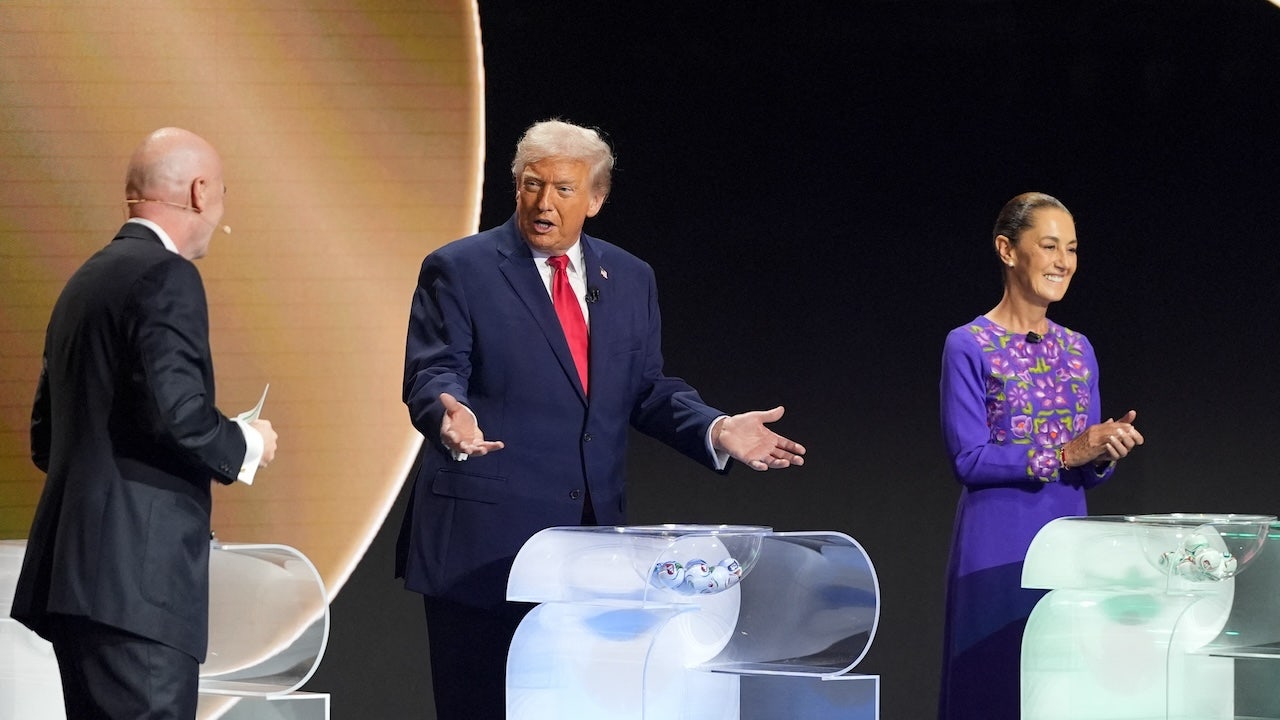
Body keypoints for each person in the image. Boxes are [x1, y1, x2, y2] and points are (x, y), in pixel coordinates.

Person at [396, 119, 807, 720]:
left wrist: (716, 428)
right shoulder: (460, 268)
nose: (544, 203)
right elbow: (434, 371)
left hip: (588, 549)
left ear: (596, 198)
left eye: (564, 189)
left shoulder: (630, 277)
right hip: (484, 543)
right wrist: (447, 414)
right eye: (532, 185)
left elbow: (645, 388)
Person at [10, 127, 279, 720]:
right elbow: (178, 416)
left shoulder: (85, 282)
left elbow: (47, 439)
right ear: (200, 192)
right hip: (138, 588)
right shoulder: (166, 275)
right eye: (224, 193)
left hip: (77, 585)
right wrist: (247, 442)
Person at [936, 192, 1143, 720]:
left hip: (1068, 546)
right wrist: (1067, 452)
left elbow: (1086, 471)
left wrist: (1103, 451)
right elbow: (969, 459)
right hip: (997, 545)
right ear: (1007, 250)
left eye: (1071, 248)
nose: (1063, 261)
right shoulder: (969, 344)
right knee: (994, 686)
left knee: (1059, 691)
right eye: (1049, 246)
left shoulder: (1078, 349)